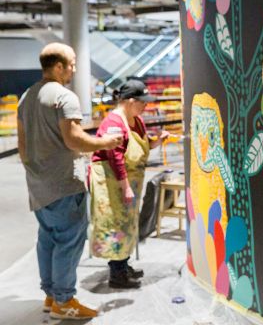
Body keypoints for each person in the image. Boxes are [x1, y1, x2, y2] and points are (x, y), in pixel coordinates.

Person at [17, 42, 123, 320]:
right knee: (68, 241)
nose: (75, 69)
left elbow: (23, 146)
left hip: (39, 186)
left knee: (48, 240)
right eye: (72, 63)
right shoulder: (64, 97)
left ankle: (51, 295)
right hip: (65, 184)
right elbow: (73, 139)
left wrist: (37, 173)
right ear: (59, 66)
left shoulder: (26, 97)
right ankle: (64, 301)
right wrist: (106, 142)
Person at [89, 79, 169, 289]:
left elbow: (142, 146)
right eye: (143, 102)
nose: (146, 106)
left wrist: (158, 141)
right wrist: (124, 186)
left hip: (129, 181)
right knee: (115, 224)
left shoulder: (137, 120)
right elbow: (115, 157)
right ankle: (117, 274)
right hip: (112, 182)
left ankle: (123, 265)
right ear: (130, 101)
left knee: (127, 224)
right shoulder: (114, 123)